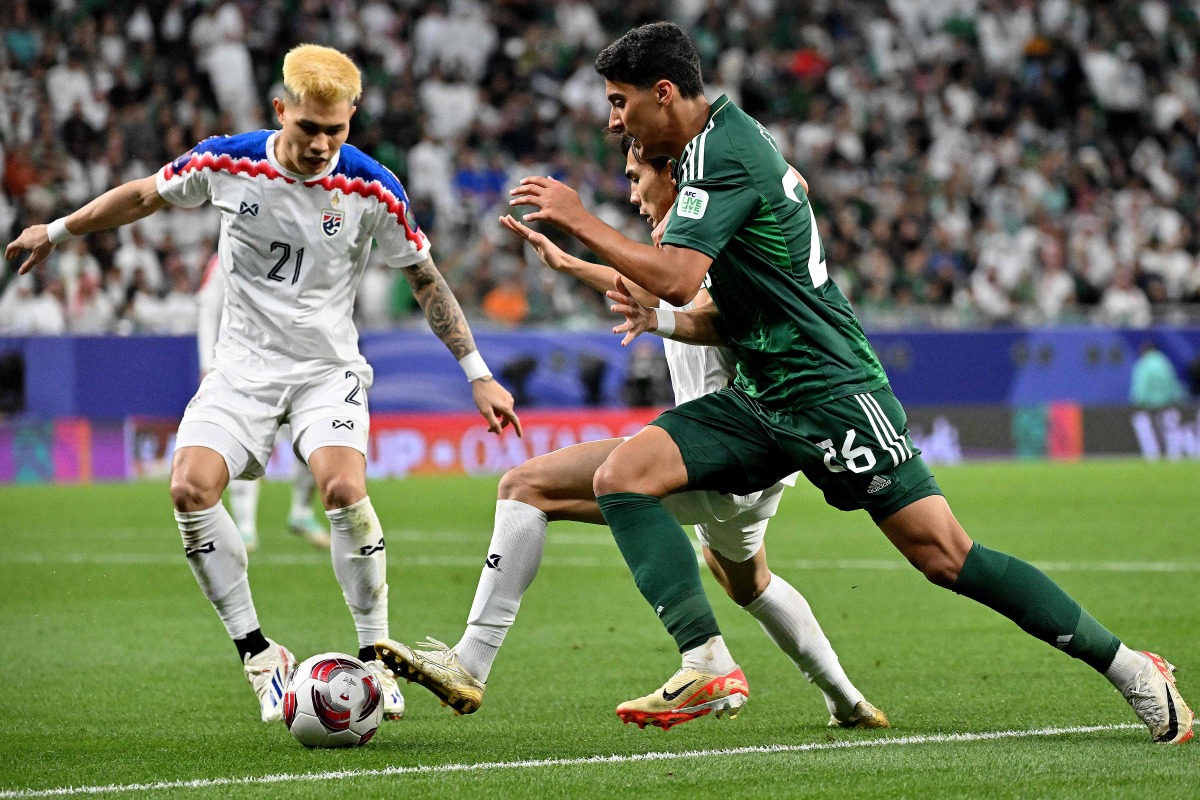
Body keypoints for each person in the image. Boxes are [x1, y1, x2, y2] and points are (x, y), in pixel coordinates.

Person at [506, 22, 1193, 743]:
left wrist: (580, 221)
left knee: (944, 556)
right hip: (762, 395)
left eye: (620, 101)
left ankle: (1132, 671)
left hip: (833, 392)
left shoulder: (725, 154)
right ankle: (705, 659)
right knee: (625, 474)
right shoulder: (718, 143)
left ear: (665, 93)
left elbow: (679, 277)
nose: (614, 120)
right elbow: (718, 305)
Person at [5, 43, 521, 724]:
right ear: (281, 110)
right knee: (189, 486)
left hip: (325, 370)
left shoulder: (373, 187)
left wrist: (477, 373)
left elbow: (424, 278)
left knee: (343, 486)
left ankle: (374, 657)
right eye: (308, 128)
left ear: (352, 117)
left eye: (335, 130)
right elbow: (142, 196)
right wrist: (60, 230)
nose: (320, 144)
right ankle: (259, 654)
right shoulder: (228, 160)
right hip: (242, 369)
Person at [374, 138, 888, 730]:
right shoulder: (700, 245)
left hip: (725, 447)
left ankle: (477, 661)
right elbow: (653, 287)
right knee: (747, 581)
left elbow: (705, 309)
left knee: (526, 485)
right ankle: (845, 698)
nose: (634, 192)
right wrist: (572, 266)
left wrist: (654, 309)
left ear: (674, 175)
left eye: (637, 176)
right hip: (755, 464)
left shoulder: (712, 242)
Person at [195, 253, 330, 552]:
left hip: (292, 363)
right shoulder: (227, 254)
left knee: (310, 438)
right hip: (242, 366)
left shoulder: (291, 248)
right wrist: (207, 363)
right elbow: (207, 308)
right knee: (246, 445)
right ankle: (245, 528)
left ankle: (302, 511)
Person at [1128, 340, 1187, 410]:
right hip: (1166, 408)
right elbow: (1174, 388)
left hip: (1148, 409)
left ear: (1145, 351)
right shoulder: (1165, 363)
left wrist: (1135, 405)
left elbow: (1140, 389)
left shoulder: (1143, 364)